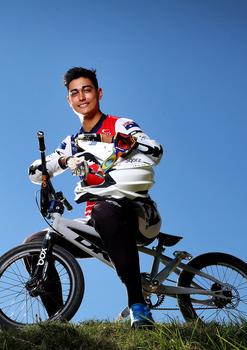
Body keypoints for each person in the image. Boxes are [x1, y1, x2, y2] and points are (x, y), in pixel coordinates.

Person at [26, 67, 163, 328]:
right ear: (69, 100)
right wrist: (65, 160)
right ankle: (58, 322)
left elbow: (154, 150)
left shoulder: (120, 124)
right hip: (95, 221)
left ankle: (138, 306)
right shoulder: (72, 141)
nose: (81, 97)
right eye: (74, 93)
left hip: (137, 213)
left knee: (104, 211)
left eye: (86, 90)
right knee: (35, 243)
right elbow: (34, 172)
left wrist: (123, 144)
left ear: (98, 93)